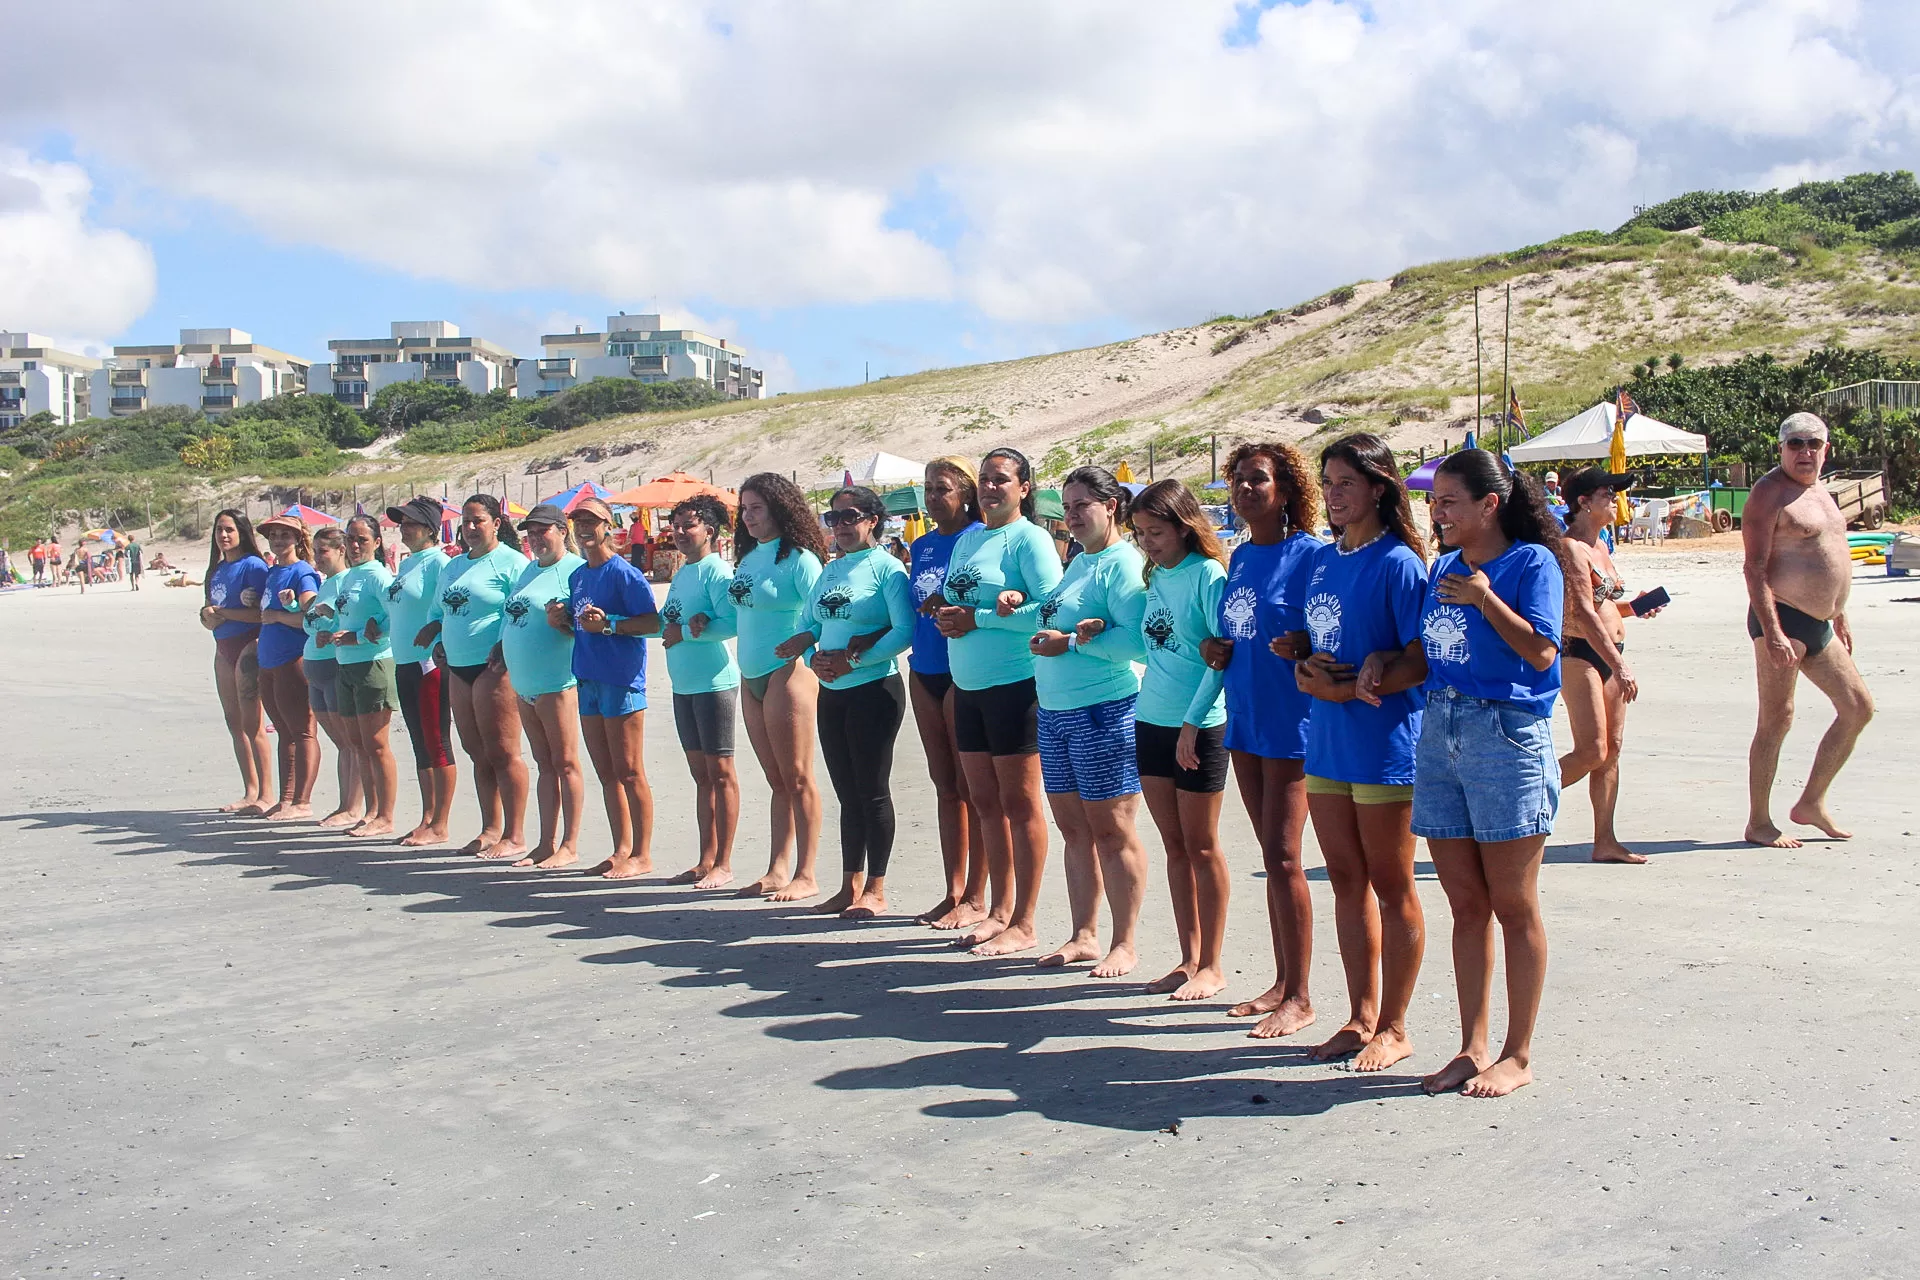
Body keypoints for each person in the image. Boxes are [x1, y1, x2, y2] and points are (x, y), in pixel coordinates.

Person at [1403, 448, 1567, 1098]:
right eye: (1434, 501)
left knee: (1514, 904)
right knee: (1466, 905)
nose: (1436, 512)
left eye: (1448, 501)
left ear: (1489, 504)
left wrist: (1486, 597)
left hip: (1505, 733)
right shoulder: (1442, 565)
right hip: (1438, 729)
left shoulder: (1532, 563)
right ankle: (1472, 1046)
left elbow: (1541, 650)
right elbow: (1432, 653)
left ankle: (1517, 1054)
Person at [1293, 433, 1430, 1070]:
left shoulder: (1400, 562)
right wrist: (1302, 666)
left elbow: (1422, 660)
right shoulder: (1324, 559)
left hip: (1383, 745)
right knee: (1346, 883)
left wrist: (1347, 686)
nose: (1335, 495)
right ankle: (1360, 1014)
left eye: (1347, 482)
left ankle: (1395, 1026)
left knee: (1392, 883)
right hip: (1325, 744)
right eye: (1328, 483)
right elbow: (1316, 641)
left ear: (1380, 487)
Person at [1200, 441, 1325, 1038]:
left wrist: (1305, 645)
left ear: (1287, 490)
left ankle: (1301, 995)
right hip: (1245, 718)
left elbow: (1332, 631)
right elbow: (1232, 632)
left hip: (1293, 724)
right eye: (1238, 481)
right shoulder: (1242, 557)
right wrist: (1215, 648)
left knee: (1285, 858)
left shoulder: (1311, 557)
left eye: (1258, 480)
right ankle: (1281, 981)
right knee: (1272, 861)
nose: (1246, 489)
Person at [935, 447, 1062, 955]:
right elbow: (964, 601)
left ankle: (1026, 920)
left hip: (1015, 687)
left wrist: (979, 619)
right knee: (985, 803)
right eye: (984, 479)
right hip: (967, 687)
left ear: (1024, 488)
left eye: (1002, 480)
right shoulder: (970, 540)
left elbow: (1053, 610)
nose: (990, 487)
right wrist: (951, 616)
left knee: (1021, 805)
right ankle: (1000, 909)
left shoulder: (1030, 540)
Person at [1027, 466, 1149, 976]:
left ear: (1111, 505)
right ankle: (1084, 934)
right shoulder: (1079, 561)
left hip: (1104, 711)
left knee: (1112, 831)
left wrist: (1074, 642)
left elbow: (1141, 641)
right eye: (1068, 507)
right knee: (1074, 829)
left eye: (1083, 506)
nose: (1073, 516)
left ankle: (1124, 941)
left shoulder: (1123, 564)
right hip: (1056, 713)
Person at [1743, 412, 1875, 848]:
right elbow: (1755, 568)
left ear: (1826, 449)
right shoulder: (1769, 494)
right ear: (1780, 448)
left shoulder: (1821, 491)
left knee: (1858, 707)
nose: (1804, 452)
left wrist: (1840, 611)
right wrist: (1773, 630)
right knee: (1776, 719)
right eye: (1795, 443)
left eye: (1813, 444)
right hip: (1783, 616)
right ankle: (1759, 822)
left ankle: (1811, 803)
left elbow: (1830, 552)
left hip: (1820, 622)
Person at [1126, 480, 1232, 1000]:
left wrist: (1192, 722)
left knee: (1203, 845)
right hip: (1150, 719)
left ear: (1184, 525)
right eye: (1141, 533)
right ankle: (1188, 957)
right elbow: (1161, 653)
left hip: (1201, 725)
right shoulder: (1157, 577)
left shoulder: (1207, 575)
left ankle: (1212, 963)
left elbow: (1219, 659)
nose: (1148, 541)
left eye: (1157, 531)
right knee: (1174, 846)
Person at [789, 486, 914, 918]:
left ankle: (875, 889)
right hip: (832, 692)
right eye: (833, 518)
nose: (841, 526)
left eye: (850, 517)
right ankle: (849, 884)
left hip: (875, 690)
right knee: (847, 794)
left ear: (872, 520)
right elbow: (806, 624)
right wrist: (815, 661)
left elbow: (903, 631)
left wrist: (854, 660)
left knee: (872, 791)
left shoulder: (888, 570)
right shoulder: (830, 570)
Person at [1556, 468, 1664, 864]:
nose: (1617, 501)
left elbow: (1604, 606)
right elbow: (1582, 613)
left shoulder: (1602, 546)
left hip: (1611, 653)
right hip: (1581, 654)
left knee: (1612, 750)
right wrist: (1619, 666)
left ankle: (1605, 840)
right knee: (1591, 750)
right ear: (1583, 502)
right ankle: (1521, 799)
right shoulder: (1570, 548)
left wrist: (1635, 607)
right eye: (1608, 493)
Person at [728, 473, 827, 899]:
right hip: (749, 676)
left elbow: (826, 611)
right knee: (776, 779)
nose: (748, 517)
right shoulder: (748, 557)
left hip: (789, 673)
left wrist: (809, 643)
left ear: (779, 510)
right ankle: (777, 867)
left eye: (757, 508)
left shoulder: (801, 559)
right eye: (744, 509)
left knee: (799, 775)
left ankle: (806, 873)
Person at [416, 495, 530, 861]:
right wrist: (436, 637)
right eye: (465, 521)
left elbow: (521, 611)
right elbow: (438, 610)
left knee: (503, 751)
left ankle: (515, 833)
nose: (469, 528)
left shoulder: (513, 563)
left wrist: (501, 646)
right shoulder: (453, 566)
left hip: (494, 666)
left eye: (477, 520)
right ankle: (490, 827)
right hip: (456, 666)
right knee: (476, 751)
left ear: (497, 523)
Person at [555, 496, 661, 879]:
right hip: (587, 676)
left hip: (621, 678)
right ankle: (622, 849)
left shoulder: (623, 573)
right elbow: (583, 627)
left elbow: (652, 623)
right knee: (607, 772)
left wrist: (612, 624)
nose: (584, 528)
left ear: (608, 526)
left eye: (592, 521)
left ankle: (643, 854)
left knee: (630, 770)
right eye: (578, 522)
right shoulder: (578, 575)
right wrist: (561, 620)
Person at [902, 457, 987, 929]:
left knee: (974, 787)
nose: (934, 498)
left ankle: (978, 893)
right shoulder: (922, 545)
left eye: (944, 489)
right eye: (929, 490)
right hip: (924, 667)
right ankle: (953, 888)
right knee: (945, 785)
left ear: (966, 494)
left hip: (963, 670)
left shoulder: (977, 539)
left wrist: (952, 604)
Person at [659, 494, 742, 889]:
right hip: (684, 685)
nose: (679, 532)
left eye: (688, 525)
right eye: (675, 525)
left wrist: (694, 632)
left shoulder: (716, 571)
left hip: (714, 684)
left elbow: (732, 623)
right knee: (701, 776)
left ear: (710, 530)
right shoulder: (683, 572)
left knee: (721, 773)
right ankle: (705, 857)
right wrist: (611, 623)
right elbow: (665, 623)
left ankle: (724, 863)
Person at [501, 504, 586, 869]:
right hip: (524, 683)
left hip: (557, 681)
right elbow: (513, 616)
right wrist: (499, 646)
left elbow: (583, 625)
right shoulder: (527, 570)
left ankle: (570, 843)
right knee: (544, 764)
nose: (536, 539)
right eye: (530, 533)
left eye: (542, 531)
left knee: (565, 762)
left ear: (562, 531)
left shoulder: (573, 571)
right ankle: (545, 842)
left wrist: (564, 622)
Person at [383, 497, 457, 848]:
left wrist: (436, 638)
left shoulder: (438, 563)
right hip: (404, 661)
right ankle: (427, 817)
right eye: (402, 522)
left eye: (411, 522)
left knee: (437, 741)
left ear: (429, 528)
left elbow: (447, 609)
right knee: (418, 743)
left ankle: (441, 822)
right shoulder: (408, 564)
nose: (404, 528)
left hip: (429, 663)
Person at [328, 515, 400, 839]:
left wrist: (360, 636)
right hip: (346, 665)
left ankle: (385, 815)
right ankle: (370, 810)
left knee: (376, 744)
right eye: (350, 539)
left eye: (362, 540)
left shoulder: (377, 576)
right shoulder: (348, 576)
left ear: (377, 543)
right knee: (357, 743)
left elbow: (396, 615)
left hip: (373, 664)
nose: (355, 546)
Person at [200, 509, 272, 815]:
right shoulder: (216, 570)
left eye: (229, 529)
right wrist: (207, 616)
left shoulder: (253, 566)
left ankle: (266, 793)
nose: (224, 535)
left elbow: (261, 614)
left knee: (252, 723)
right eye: (219, 530)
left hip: (248, 646)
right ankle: (250, 789)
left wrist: (224, 614)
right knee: (234, 724)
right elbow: (210, 613)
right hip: (222, 648)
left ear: (242, 532)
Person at [254, 514, 323, 820]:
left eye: (286, 535)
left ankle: (302, 801)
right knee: (284, 732)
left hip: (292, 661)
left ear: (298, 539)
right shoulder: (273, 572)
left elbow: (312, 611)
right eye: (274, 535)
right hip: (268, 662)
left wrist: (287, 610)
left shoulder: (302, 571)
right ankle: (285, 799)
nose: (279, 540)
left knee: (303, 731)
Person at [303, 527, 364, 827]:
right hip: (315, 668)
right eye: (314, 551)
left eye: (323, 551)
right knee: (342, 744)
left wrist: (330, 629)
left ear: (341, 550)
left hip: (334, 666)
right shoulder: (325, 584)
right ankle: (344, 803)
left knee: (352, 742)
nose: (317, 557)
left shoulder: (345, 582)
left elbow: (350, 619)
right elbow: (311, 622)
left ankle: (353, 807)